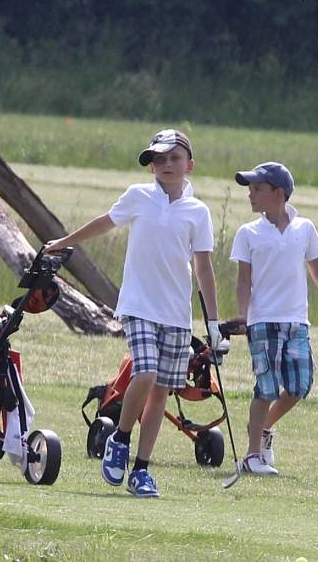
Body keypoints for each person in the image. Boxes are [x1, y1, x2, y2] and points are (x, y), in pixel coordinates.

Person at [45, 129, 224, 498]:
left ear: (189, 164)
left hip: (175, 312)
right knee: (145, 371)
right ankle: (120, 440)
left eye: (174, 158)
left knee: (162, 390)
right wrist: (64, 243)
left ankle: (141, 469)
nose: (166, 165)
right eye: (159, 159)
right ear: (152, 166)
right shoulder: (138, 196)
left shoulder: (198, 212)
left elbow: (203, 267)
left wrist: (214, 323)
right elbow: (104, 222)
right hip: (139, 306)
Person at [229, 162, 318, 475]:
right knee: (266, 387)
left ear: (278, 193)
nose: (250, 195)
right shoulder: (248, 233)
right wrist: (243, 315)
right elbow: (244, 280)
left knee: (299, 386)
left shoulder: (305, 229)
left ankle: (263, 429)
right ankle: (252, 455)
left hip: (297, 321)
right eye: (250, 189)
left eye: (257, 189)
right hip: (262, 322)